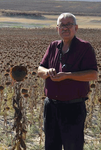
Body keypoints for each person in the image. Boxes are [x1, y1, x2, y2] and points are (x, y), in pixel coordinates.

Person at [38, 13, 98, 150]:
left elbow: (93, 74)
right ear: (57, 29)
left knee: (73, 146)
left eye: (68, 25)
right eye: (61, 25)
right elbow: (40, 69)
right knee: (51, 146)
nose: (65, 28)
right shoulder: (53, 46)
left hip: (73, 108)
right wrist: (48, 72)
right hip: (51, 106)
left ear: (76, 28)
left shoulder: (84, 48)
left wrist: (67, 76)